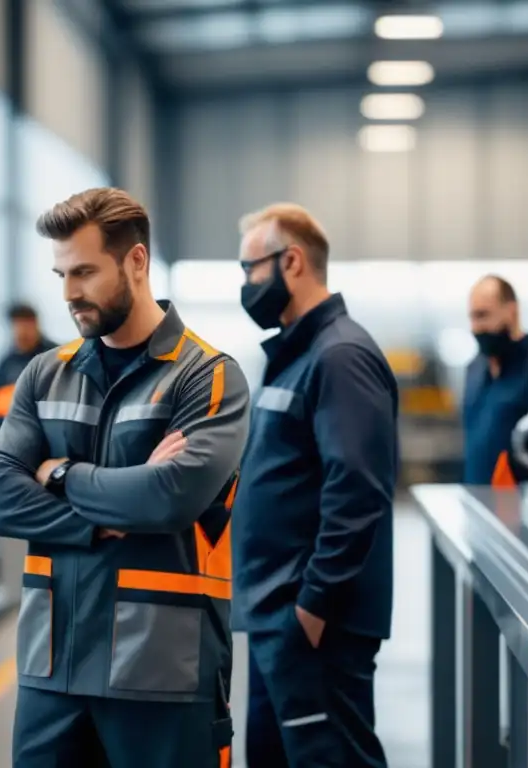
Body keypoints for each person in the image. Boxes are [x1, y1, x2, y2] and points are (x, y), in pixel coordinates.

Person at [0, 187, 250, 768]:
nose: (69, 293)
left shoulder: (208, 378)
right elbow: (0, 500)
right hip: (51, 668)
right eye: (61, 274)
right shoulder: (42, 376)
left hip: (160, 672)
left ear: (136, 261)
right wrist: (107, 515)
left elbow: (168, 498)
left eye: (84, 271)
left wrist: (58, 474)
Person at [231, 203, 398, 768]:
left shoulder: (340, 355)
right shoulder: (296, 355)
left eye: (251, 268)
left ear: (292, 261)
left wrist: (313, 606)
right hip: (279, 615)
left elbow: (357, 490)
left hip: (312, 622)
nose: (247, 284)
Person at [462, 274, 528, 484]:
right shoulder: (474, 369)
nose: (475, 327)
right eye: (472, 317)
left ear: (512, 311)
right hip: (477, 500)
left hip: (522, 506)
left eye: (483, 315)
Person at [0, 303, 57, 392]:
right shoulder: (9, 361)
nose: (22, 333)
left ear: (36, 325)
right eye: (18, 328)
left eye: (27, 327)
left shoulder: (55, 356)